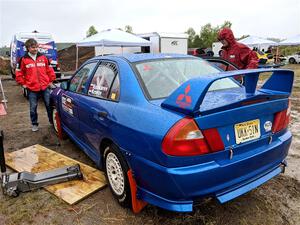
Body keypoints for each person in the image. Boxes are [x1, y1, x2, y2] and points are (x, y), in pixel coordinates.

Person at [15, 38, 56, 132]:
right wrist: (23, 84)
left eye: (36, 47)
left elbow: (50, 70)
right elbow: (19, 73)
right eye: (33, 47)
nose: (35, 49)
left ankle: (51, 122)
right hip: (32, 89)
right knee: (33, 108)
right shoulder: (23, 60)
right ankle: (34, 124)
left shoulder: (43, 57)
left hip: (45, 87)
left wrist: (51, 81)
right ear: (28, 48)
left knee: (49, 106)